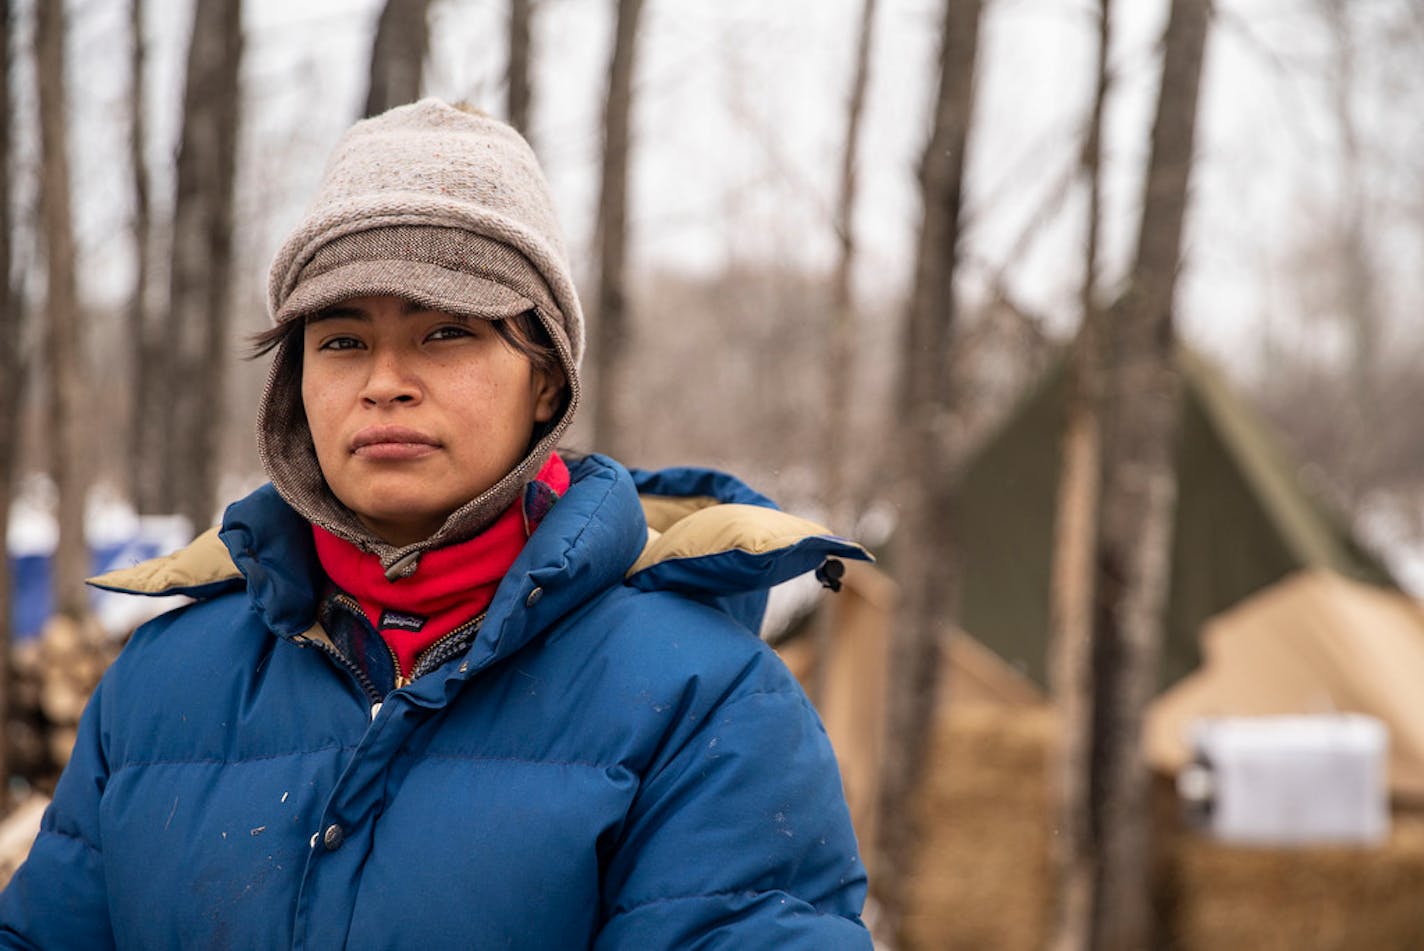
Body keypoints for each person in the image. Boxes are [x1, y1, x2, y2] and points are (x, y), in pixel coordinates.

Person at [0, 100, 873, 948]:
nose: (384, 381)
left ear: (546, 382)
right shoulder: (160, 687)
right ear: (292, 386)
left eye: (445, 331)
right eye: (341, 340)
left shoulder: (706, 703)